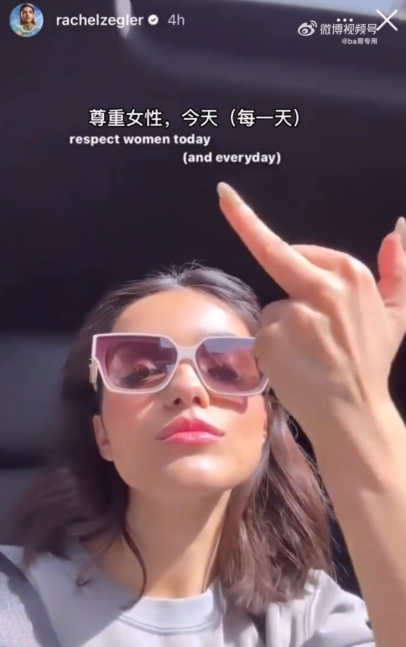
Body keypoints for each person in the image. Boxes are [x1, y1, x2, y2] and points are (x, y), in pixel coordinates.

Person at [1, 183, 406, 647]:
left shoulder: (312, 620)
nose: (187, 388)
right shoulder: (12, 603)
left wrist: (359, 409)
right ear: (102, 434)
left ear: (265, 426)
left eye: (228, 370)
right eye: (140, 372)